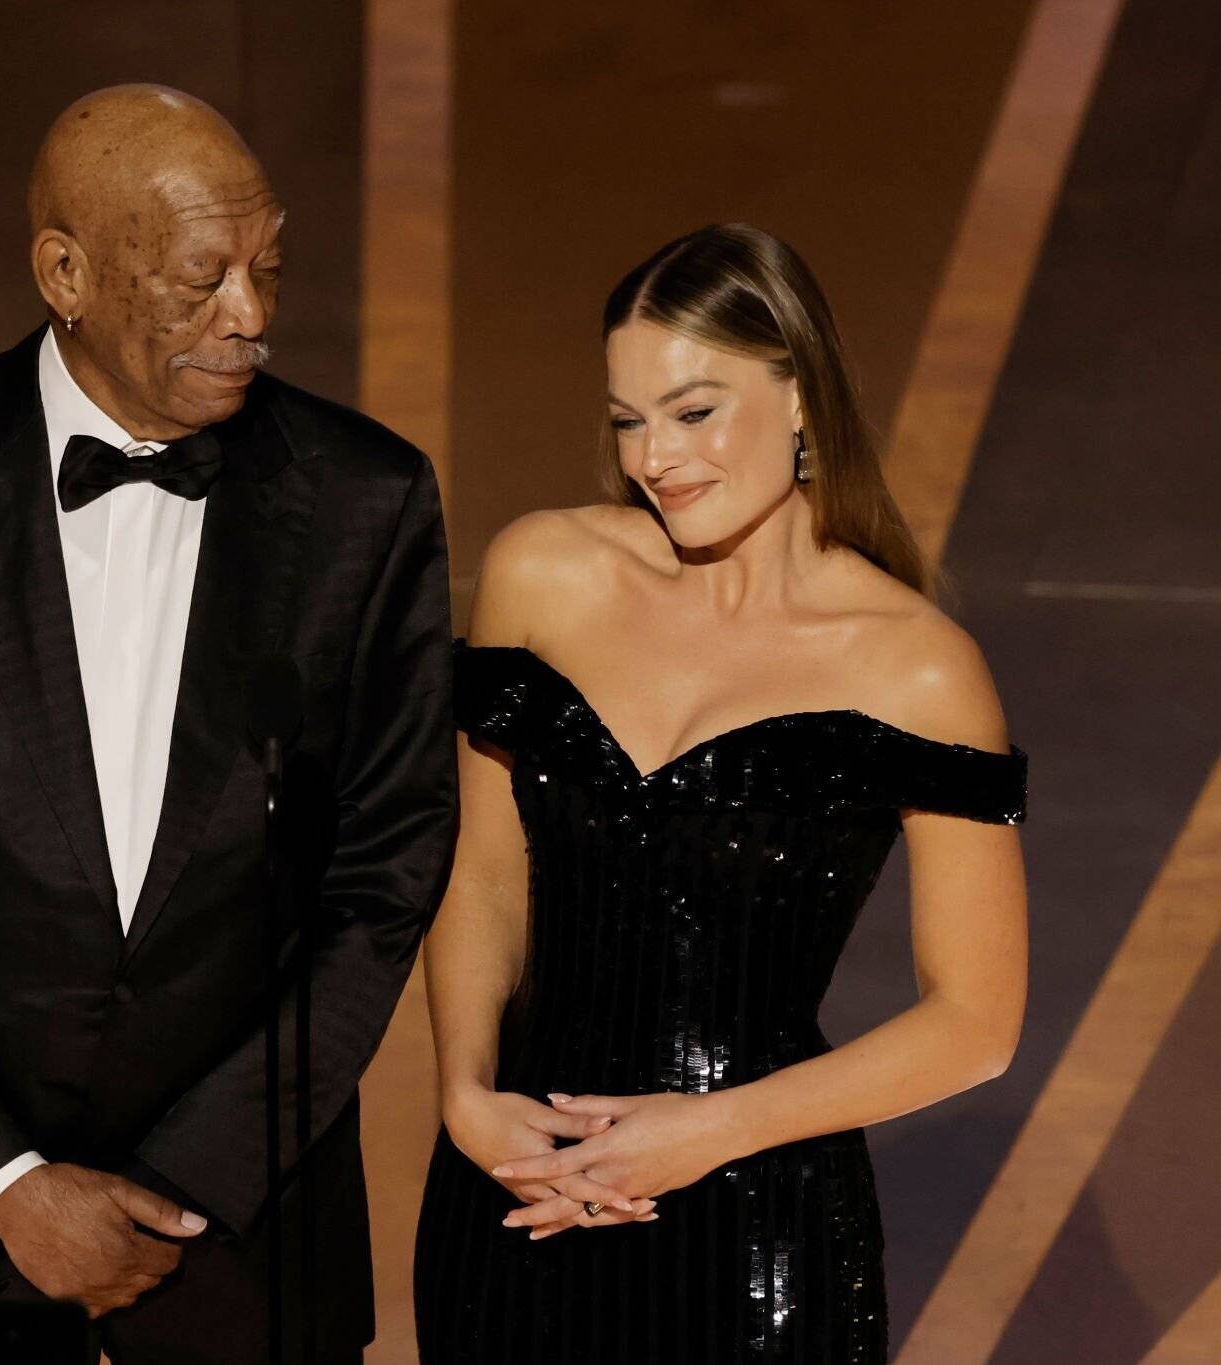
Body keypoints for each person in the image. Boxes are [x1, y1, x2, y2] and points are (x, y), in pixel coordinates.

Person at [0, 84, 455, 1363]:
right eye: (200, 279)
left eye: (267, 268)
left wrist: (189, 1185)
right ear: (64, 274)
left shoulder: (367, 499)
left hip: (241, 1246)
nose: (249, 316)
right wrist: (3, 1185)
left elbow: (385, 872)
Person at [412, 224, 1028, 1360]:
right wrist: (464, 1091)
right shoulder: (541, 573)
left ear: (799, 397)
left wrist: (710, 1130)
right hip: (518, 1187)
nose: (656, 457)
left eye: (693, 412)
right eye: (628, 420)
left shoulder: (918, 670)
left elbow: (975, 1023)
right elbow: (484, 874)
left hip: (757, 1226)